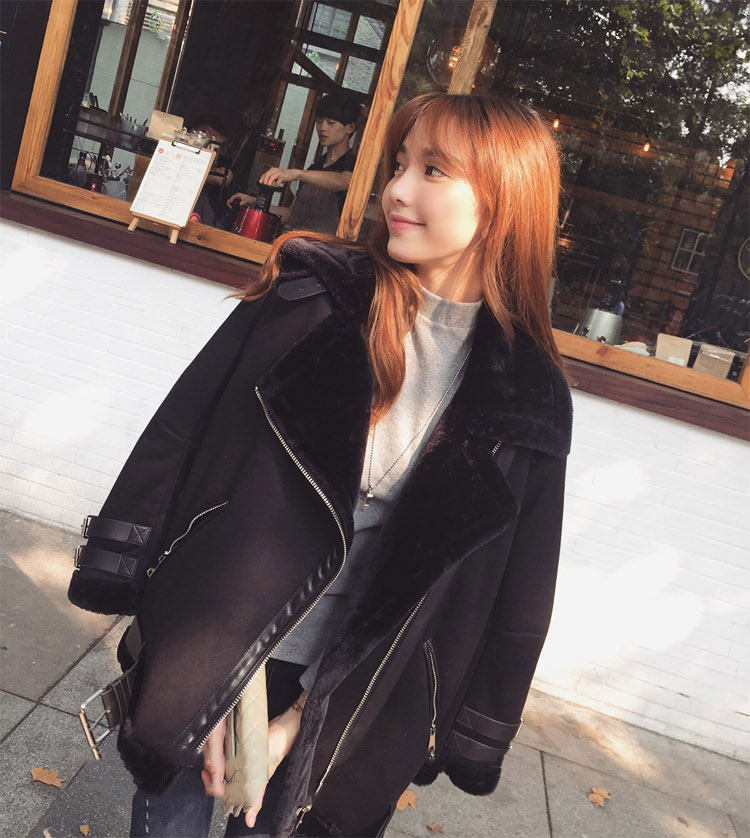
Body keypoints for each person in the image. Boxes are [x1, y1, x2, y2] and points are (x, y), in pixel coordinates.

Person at [68, 92, 573, 838]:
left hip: (359, 704)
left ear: (504, 201)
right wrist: (210, 675)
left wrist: (307, 724)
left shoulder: (527, 398)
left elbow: (518, 599)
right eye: (399, 164)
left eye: (433, 170)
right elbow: (181, 437)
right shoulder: (313, 300)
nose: (396, 189)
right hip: (212, 642)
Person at [228, 93, 361, 235]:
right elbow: (291, 213)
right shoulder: (315, 167)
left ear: (350, 127)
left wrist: (296, 173)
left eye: (331, 123)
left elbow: (344, 181)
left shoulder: (353, 165)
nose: (322, 128)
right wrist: (254, 202)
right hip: (292, 240)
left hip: (323, 246)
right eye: (319, 122)